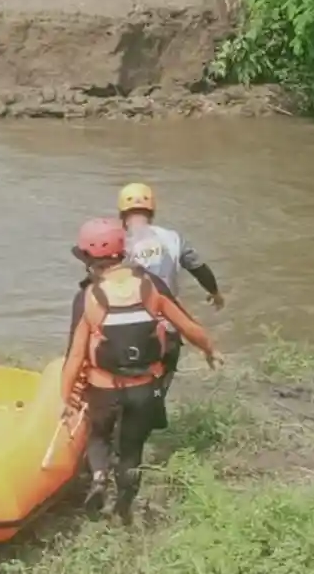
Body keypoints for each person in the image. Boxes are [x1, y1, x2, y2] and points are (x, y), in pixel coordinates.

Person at [61, 217, 223, 525]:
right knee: (132, 448)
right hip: (144, 388)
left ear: (88, 260)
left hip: (104, 388)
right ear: (124, 251)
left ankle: (99, 477)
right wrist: (210, 349)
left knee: (98, 435)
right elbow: (185, 324)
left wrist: (65, 397)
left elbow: (75, 355)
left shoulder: (87, 297)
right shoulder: (150, 285)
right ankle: (125, 504)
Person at [117, 182, 225, 409]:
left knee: (120, 391)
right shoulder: (173, 238)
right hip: (167, 327)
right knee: (156, 393)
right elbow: (199, 269)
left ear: (122, 214)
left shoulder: (115, 243)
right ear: (152, 211)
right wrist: (214, 293)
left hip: (124, 328)